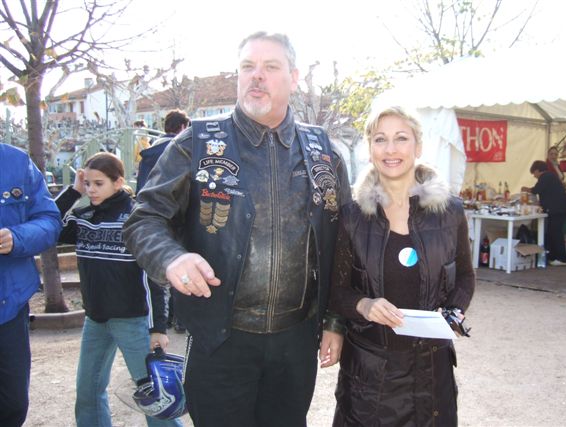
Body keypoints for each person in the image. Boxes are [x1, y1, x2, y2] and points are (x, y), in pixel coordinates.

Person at [123, 31, 351, 426]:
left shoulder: (324, 152)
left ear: (294, 78)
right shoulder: (195, 143)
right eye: (248, 67)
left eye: (270, 67)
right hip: (221, 341)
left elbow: (343, 243)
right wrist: (171, 258)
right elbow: (144, 219)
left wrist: (335, 321)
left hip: (295, 342)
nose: (256, 76)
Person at [329, 106, 475, 426]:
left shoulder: (450, 212)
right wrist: (364, 305)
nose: (391, 149)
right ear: (370, 149)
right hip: (370, 379)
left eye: (401, 138)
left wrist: (454, 312)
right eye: (380, 139)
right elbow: (336, 290)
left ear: (418, 146)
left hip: (432, 375)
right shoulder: (352, 217)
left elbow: (465, 276)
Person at [54, 152, 181, 426]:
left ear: (118, 182)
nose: (91, 189)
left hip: (132, 321)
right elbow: (51, 224)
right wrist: (73, 192)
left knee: (155, 396)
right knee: (87, 392)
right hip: (95, 320)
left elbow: (153, 279)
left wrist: (157, 328)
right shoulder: (83, 217)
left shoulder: (136, 218)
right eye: (88, 183)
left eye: (98, 183)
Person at [0, 143, 62, 427]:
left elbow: (49, 220)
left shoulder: (16, 162)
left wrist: (17, 237)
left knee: (12, 403)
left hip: (8, 306)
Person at [136, 109, 191, 334]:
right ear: (182, 127)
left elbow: (142, 190)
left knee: (160, 268)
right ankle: (180, 317)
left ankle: (164, 318)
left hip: (155, 218)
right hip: (180, 216)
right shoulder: (183, 148)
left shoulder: (149, 151)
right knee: (182, 263)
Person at [521, 160, 566, 266]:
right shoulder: (551, 176)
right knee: (552, 232)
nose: (534, 176)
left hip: (557, 209)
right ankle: (553, 257)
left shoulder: (545, 177)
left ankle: (562, 258)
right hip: (558, 208)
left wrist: (526, 189)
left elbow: (536, 190)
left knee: (556, 233)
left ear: (537, 170)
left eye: (534, 173)